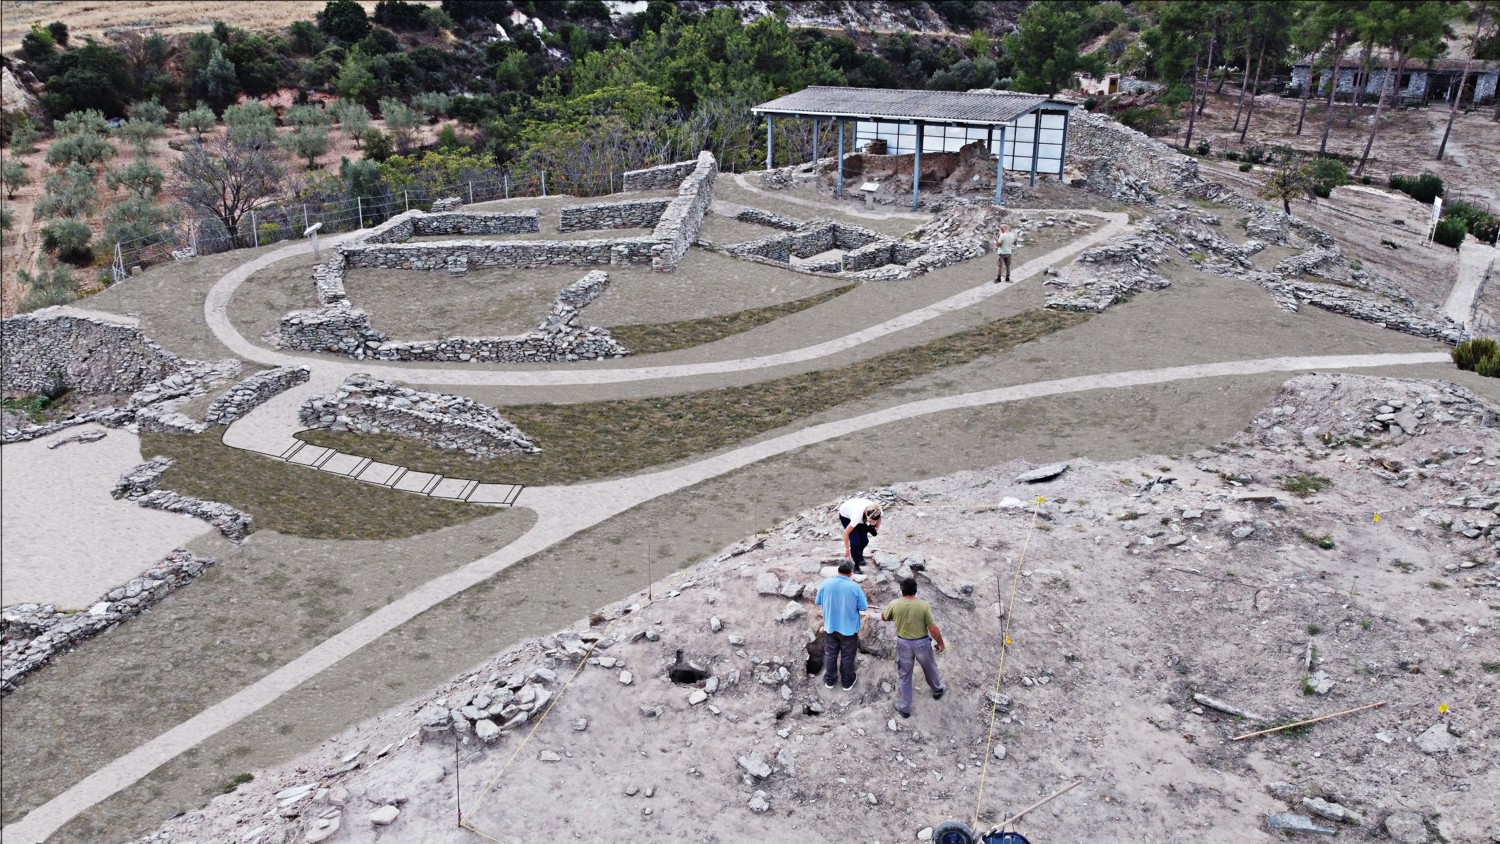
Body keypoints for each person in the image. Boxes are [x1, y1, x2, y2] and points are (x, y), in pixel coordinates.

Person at [881, 577, 947, 718]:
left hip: (903, 644)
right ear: (916, 590)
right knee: (929, 667)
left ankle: (905, 708)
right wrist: (940, 643)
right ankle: (937, 689)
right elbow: (933, 628)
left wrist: (885, 613)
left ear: (902, 590)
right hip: (922, 644)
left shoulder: (895, 604)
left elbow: (885, 617)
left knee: (905, 675)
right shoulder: (923, 606)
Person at [814, 560, 869, 691]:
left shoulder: (826, 583)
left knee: (830, 654)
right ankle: (847, 682)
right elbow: (863, 607)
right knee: (848, 656)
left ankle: (830, 680)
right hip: (849, 629)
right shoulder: (854, 587)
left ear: (838, 570)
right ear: (851, 572)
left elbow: (818, 601)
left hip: (830, 626)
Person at [837, 497, 882, 574]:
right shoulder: (857, 516)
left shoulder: (878, 512)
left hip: (860, 514)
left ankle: (859, 555)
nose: (871, 522)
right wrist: (847, 550)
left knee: (864, 541)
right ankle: (855, 566)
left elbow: (880, 517)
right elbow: (846, 533)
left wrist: (877, 526)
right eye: (871, 521)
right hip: (846, 516)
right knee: (855, 543)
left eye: (873, 521)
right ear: (866, 513)